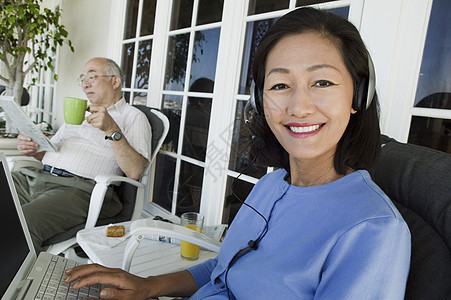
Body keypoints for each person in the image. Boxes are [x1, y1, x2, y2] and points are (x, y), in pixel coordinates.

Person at [64, 7, 411, 299]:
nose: (299, 106)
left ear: (358, 96)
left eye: (322, 82)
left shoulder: (374, 231)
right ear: (260, 102)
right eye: (279, 85)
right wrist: (147, 286)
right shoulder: (271, 186)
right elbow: (223, 268)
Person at [12, 57, 152, 253]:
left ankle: (18, 281)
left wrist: (111, 129)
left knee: (20, 226)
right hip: (37, 178)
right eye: (82, 79)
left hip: (77, 190)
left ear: (115, 81)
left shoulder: (133, 117)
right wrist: (33, 149)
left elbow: (135, 171)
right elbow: (48, 154)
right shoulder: (78, 114)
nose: (85, 84)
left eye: (92, 77)